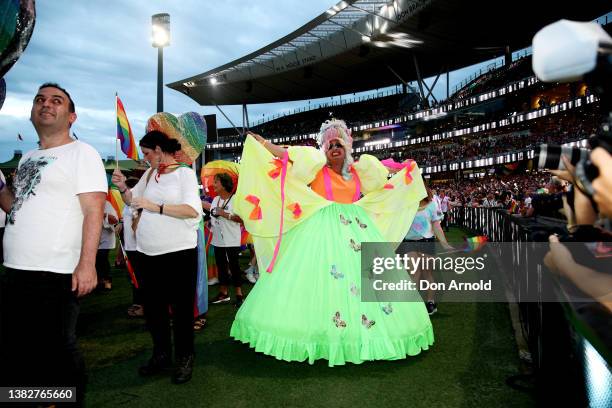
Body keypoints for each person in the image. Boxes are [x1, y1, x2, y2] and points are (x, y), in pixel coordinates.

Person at [230, 119, 434, 366]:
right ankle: (316, 332)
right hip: (319, 229)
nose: (334, 148)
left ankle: (363, 332)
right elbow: (289, 156)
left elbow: (384, 176)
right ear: (324, 149)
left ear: (347, 146)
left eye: (339, 144)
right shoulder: (315, 168)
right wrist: (265, 144)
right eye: (330, 145)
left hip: (357, 227)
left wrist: (402, 168)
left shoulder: (361, 170)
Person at [0, 83, 107, 405]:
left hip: (54, 268)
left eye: (56, 101)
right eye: (40, 100)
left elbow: (93, 210)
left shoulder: (82, 153)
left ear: (71, 116)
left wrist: (87, 264)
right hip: (16, 267)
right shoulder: (30, 156)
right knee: (19, 347)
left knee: (57, 348)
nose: (46, 104)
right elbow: (16, 206)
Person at [112, 130, 201, 384]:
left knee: (182, 310)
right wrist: (122, 189)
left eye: (148, 153)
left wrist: (157, 207)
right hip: (148, 253)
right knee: (154, 310)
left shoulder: (184, 173)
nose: (145, 158)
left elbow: (192, 210)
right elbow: (132, 202)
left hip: (179, 253)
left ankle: (185, 357)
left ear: (160, 150)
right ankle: (161, 355)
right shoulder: (150, 174)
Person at [403, 187, 454, 315]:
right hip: (410, 242)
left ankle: (430, 302)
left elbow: (436, 225)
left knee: (427, 274)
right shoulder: (405, 205)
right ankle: (413, 303)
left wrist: (445, 244)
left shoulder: (431, 205)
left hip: (427, 242)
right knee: (413, 273)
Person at [204, 173, 245, 307]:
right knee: (221, 266)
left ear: (224, 184)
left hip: (231, 239)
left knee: (234, 266)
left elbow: (241, 219)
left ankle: (239, 295)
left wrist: (224, 214)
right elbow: (211, 210)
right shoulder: (215, 199)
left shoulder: (235, 200)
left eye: (216, 182)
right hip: (218, 239)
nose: (213, 184)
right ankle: (224, 293)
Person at [96, 200, 118, 291]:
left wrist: (103, 214)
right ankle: (98, 281)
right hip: (94, 237)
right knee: (96, 260)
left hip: (106, 238)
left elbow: (114, 220)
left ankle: (107, 282)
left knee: (102, 259)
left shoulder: (107, 204)